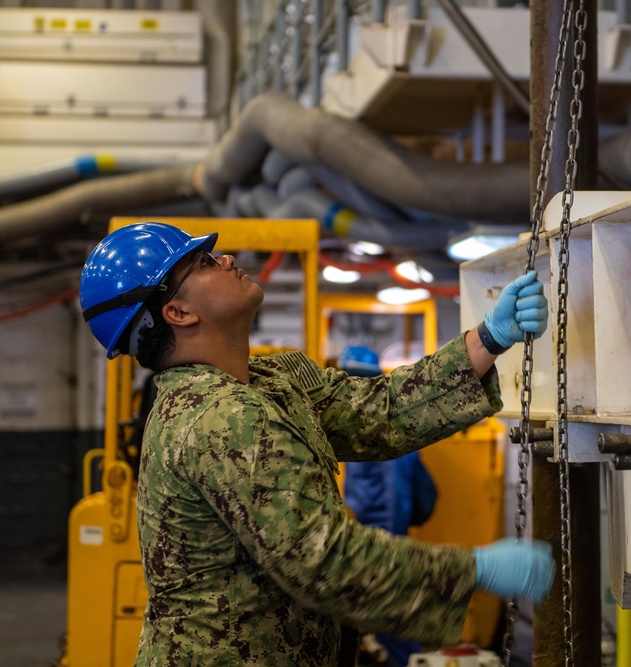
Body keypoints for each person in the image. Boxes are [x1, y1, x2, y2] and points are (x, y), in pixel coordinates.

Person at [78, 222, 554, 667]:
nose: (223, 258)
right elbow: (324, 559)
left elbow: (376, 411)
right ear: (178, 313)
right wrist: (474, 571)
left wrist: (486, 339)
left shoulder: (266, 384)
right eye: (201, 263)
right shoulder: (218, 417)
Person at [338, 345, 440, 666]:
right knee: (393, 631)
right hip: (382, 543)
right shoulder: (394, 424)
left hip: (370, 547)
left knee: (388, 633)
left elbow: (394, 498)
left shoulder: (352, 424)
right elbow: (425, 495)